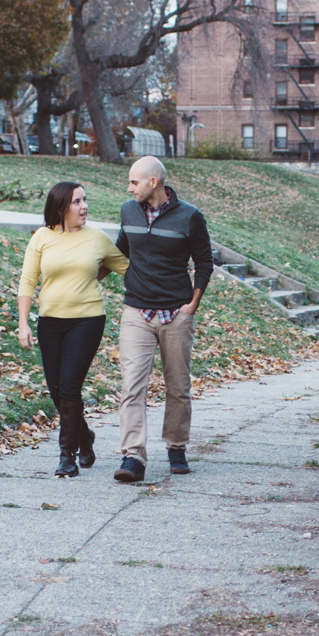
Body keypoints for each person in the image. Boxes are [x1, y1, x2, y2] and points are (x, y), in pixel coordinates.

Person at [112, 155, 212, 483]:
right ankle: (133, 457)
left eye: (134, 182)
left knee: (178, 385)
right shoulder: (128, 210)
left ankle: (176, 447)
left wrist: (192, 304)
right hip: (137, 311)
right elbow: (121, 251)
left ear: (153, 182)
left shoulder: (190, 217)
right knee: (131, 386)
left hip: (176, 313)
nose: (129, 188)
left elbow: (203, 262)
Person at [18, 181, 127, 477]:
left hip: (87, 319)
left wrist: (92, 275)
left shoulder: (97, 238)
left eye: (85, 200)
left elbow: (124, 266)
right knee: (56, 392)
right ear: (61, 207)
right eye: (77, 202)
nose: (84, 207)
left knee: (69, 386)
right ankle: (85, 437)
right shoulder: (42, 236)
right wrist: (23, 322)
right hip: (50, 321)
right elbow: (28, 280)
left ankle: (67, 455)